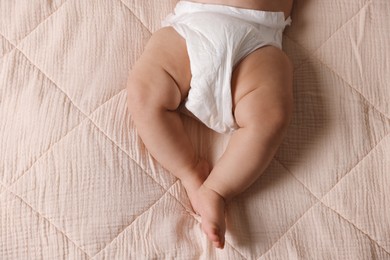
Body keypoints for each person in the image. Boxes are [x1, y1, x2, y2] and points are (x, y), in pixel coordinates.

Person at [127, 0, 294, 249]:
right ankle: (189, 171)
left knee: (271, 116)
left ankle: (217, 189)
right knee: (143, 94)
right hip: (193, 25)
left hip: (257, 39)